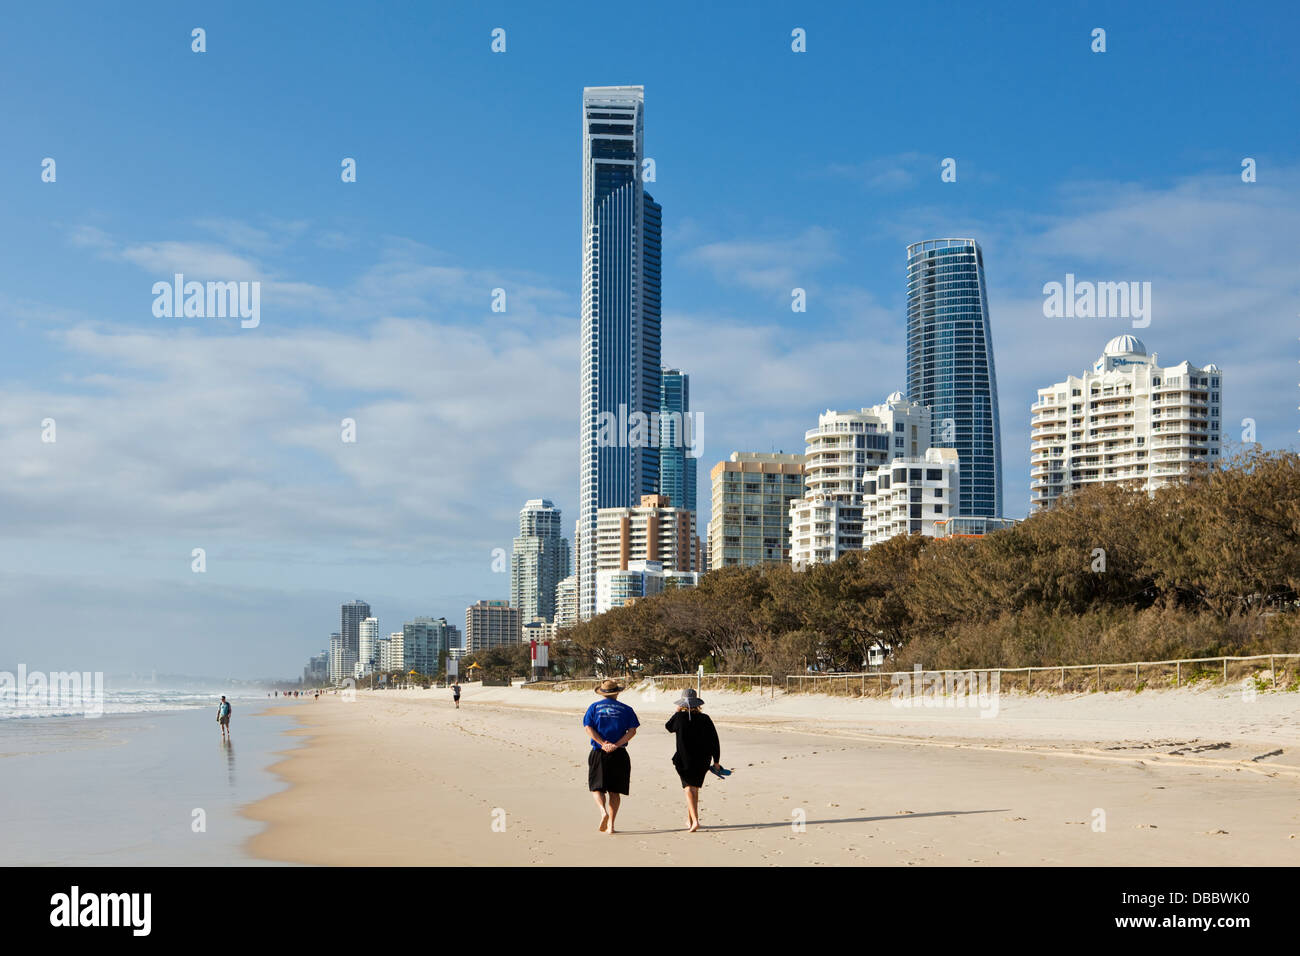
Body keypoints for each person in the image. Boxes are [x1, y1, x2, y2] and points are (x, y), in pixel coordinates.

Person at [582, 679, 639, 834]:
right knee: (615, 791)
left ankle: (602, 811)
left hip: (599, 752)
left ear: (603, 692)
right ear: (617, 692)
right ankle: (611, 826)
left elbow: (588, 728)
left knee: (596, 787)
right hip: (619, 753)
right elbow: (632, 731)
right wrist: (617, 744)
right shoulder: (626, 709)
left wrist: (602, 743)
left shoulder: (594, 707)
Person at [665, 688, 722, 832]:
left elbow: (668, 727)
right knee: (694, 788)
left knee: (689, 788)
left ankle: (695, 820)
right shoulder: (705, 718)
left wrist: (677, 712)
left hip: (684, 758)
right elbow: (714, 740)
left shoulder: (679, 718)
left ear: (682, 703)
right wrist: (716, 760)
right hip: (703, 758)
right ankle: (690, 819)